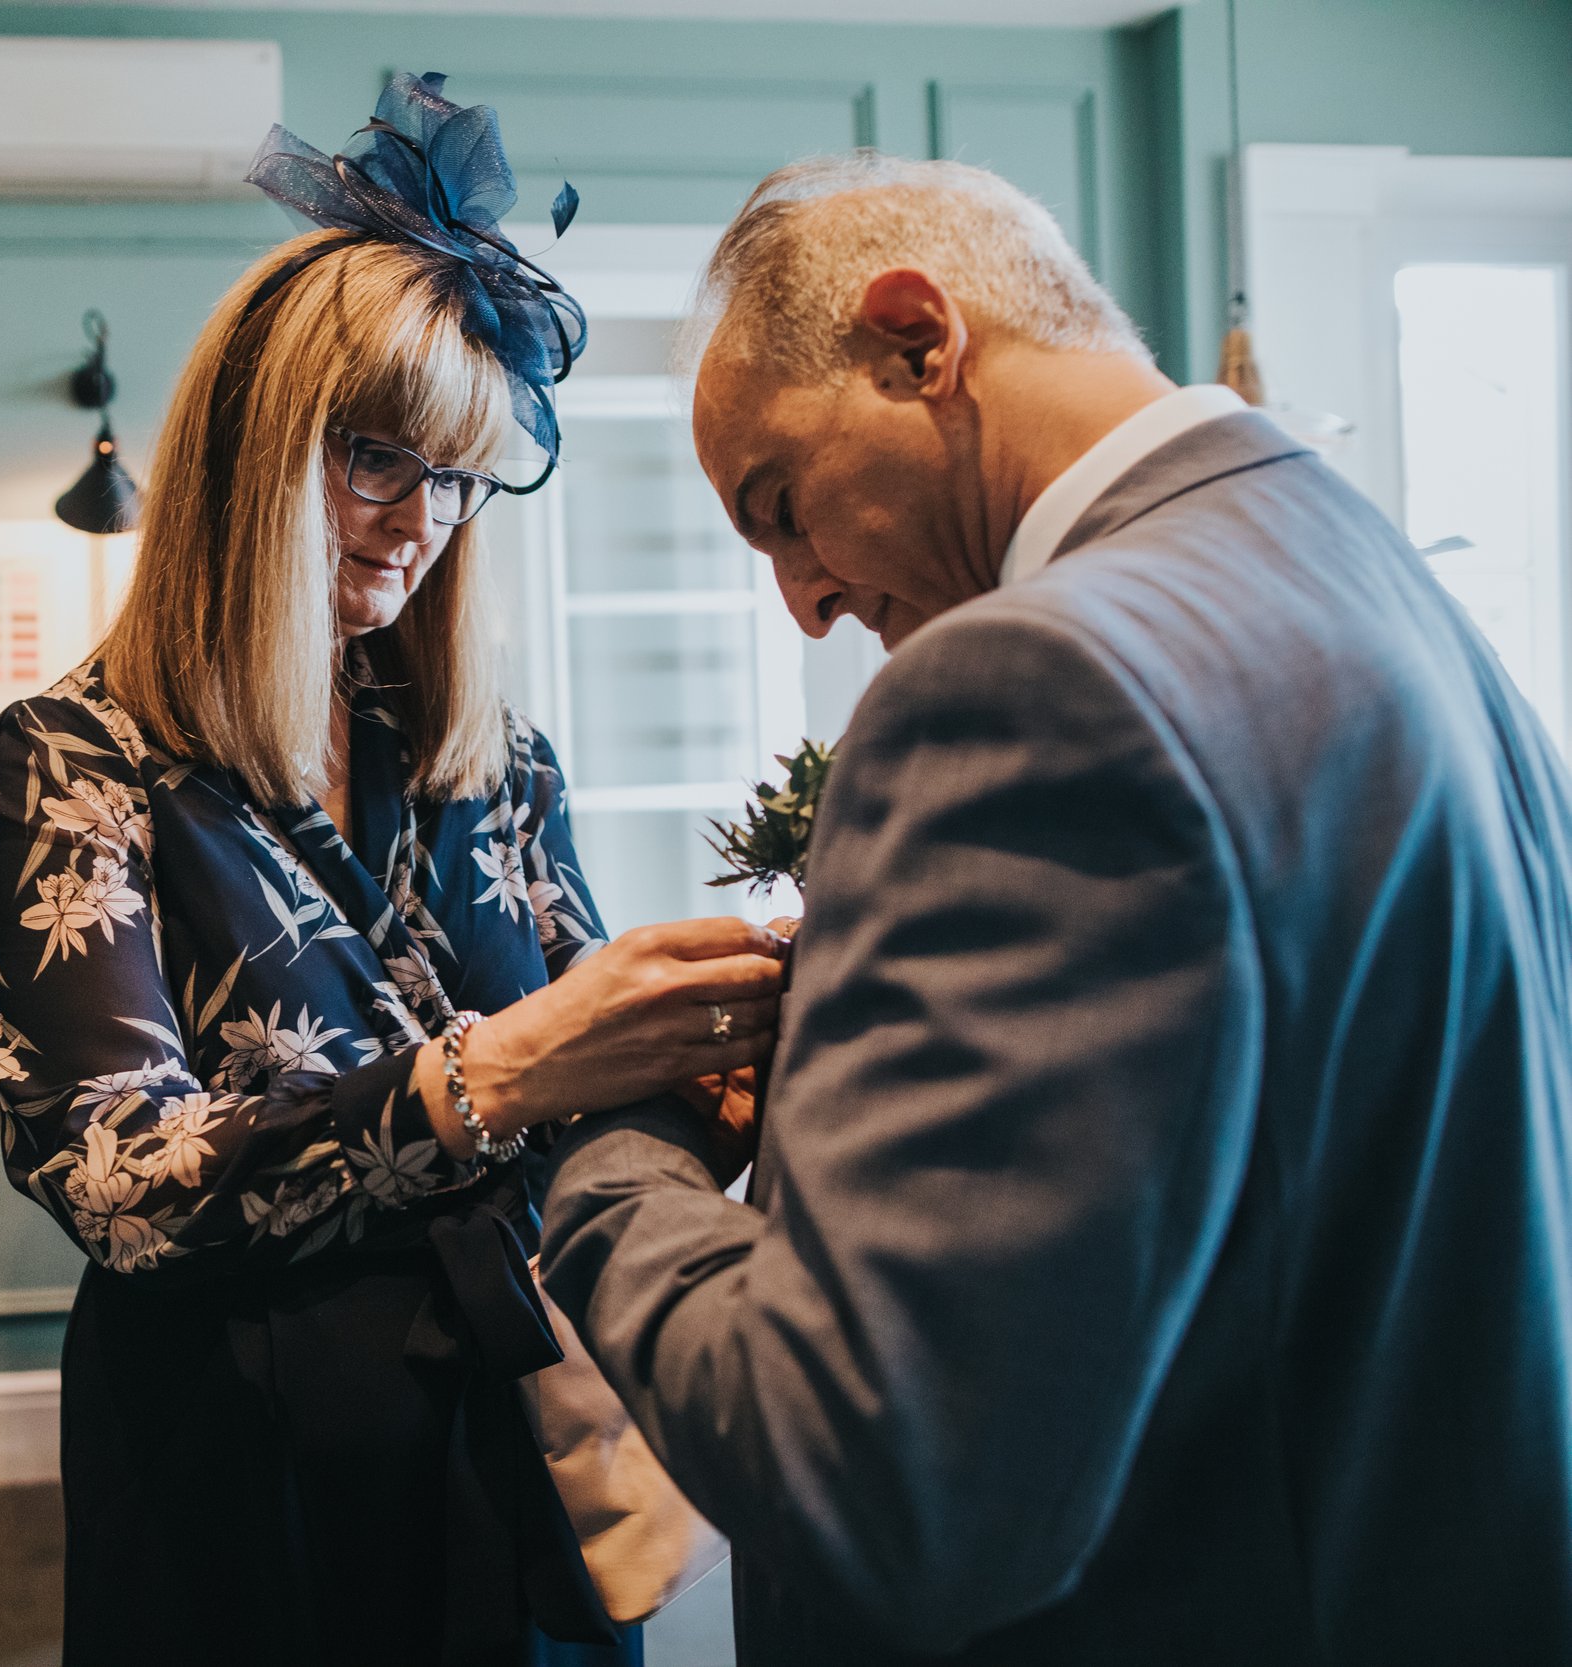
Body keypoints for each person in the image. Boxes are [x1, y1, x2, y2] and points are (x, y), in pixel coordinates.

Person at [538, 153, 1572, 1665]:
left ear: (917, 340)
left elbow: (881, 1485)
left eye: (782, 507)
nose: (805, 601)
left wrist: (614, 1146)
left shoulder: (1031, 681)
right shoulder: (1388, 586)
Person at [0, 75, 781, 1667]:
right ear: (245, 455)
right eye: (378, 463)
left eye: (466, 476)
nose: (424, 523)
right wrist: (498, 1073)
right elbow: (116, 1182)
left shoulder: (496, 751)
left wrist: (697, 1080)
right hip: (240, 1456)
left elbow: (583, 1070)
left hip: (516, 1423)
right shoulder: (78, 755)